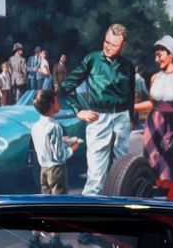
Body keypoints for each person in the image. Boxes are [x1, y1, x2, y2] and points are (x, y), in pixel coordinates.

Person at [58, 23, 137, 197]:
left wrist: (131, 118)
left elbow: (131, 95)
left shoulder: (128, 66)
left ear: (123, 46)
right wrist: (79, 110)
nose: (108, 47)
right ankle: (90, 207)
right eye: (106, 42)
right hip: (98, 118)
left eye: (114, 45)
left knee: (120, 171)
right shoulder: (91, 60)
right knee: (96, 175)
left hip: (122, 118)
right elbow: (66, 86)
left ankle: (117, 206)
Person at [135, 35, 173, 184]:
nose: (156, 59)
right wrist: (132, 106)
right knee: (150, 166)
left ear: (171, 54)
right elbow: (151, 103)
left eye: (159, 55)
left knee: (168, 170)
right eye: (156, 56)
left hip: (171, 127)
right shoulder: (154, 78)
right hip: (152, 126)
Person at [31, 90, 77, 195]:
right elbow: (59, 155)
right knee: (59, 201)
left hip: (43, 169)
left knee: (46, 199)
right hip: (56, 171)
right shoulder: (55, 127)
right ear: (51, 105)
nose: (59, 103)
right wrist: (72, 148)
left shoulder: (35, 127)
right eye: (57, 101)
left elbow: (45, 144)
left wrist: (60, 140)